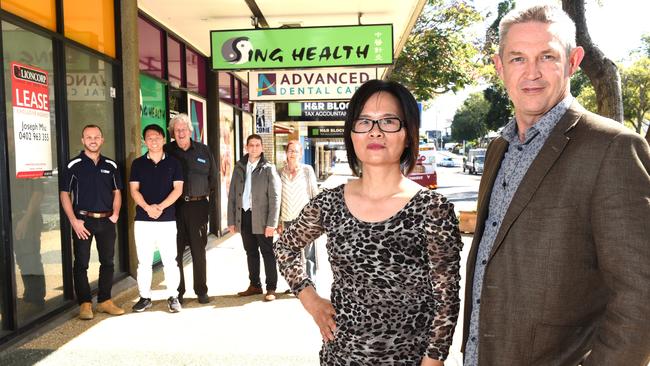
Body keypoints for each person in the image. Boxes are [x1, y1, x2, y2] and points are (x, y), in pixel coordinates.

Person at [462, 5, 650, 366]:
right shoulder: (497, 148)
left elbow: (641, 295)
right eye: (517, 58)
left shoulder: (612, 148)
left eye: (547, 56)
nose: (532, 72)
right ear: (499, 66)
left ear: (573, 61)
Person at [275, 79, 463, 365]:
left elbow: (446, 298)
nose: (375, 131)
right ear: (352, 134)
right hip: (342, 357)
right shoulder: (330, 203)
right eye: (364, 122)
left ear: (409, 133)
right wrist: (310, 300)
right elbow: (285, 247)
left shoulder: (432, 209)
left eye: (389, 121)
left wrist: (434, 359)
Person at [60, 124, 125, 320]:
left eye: (96, 136)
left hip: (106, 221)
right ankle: (85, 304)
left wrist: (115, 214)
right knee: (81, 263)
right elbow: (64, 195)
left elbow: (117, 192)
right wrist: (74, 221)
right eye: (89, 137)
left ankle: (105, 301)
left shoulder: (111, 166)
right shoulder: (73, 165)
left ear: (102, 139)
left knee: (108, 262)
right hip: (83, 221)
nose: (93, 140)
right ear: (83, 140)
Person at [129, 124, 184, 313]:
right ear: (145, 141)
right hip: (143, 220)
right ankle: (145, 297)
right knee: (144, 261)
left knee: (170, 260)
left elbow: (178, 189)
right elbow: (134, 190)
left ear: (163, 139)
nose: (153, 141)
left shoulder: (174, 163)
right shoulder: (137, 164)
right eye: (149, 138)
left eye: (157, 137)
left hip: (167, 219)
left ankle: (173, 296)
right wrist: (146, 207)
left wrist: (160, 207)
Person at [164, 113, 218, 305]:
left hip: (198, 206)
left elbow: (213, 181)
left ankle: (201, 291)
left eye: (183, 129)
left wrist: (209, 210)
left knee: (198, 251)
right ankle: (178, 292)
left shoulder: (203, 151)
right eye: (177, 130)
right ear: (172, 133)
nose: (180, 133)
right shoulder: (166, 151)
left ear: (190, 130)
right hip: (174, 208)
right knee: (175, 252)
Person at [227, 134, 281, 302]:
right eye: (252, 145)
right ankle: (255, 285)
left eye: (258, 145)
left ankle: (271, 287)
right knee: (250, 252)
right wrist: (231, 220)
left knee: (267, 252)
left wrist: (272, 223)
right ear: (246, 147)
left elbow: (275, 198)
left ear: (262, 148)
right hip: (244, 215)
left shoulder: (268, 168)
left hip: (263, 218)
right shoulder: (239, 167)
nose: (254, 148)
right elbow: (232, 196)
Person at [277, 140, 319, 282]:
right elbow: (277, 199)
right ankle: (297, 283)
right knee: (291, 254)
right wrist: (278, 222)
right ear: (286, 153)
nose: (293, 153)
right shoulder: (279, 172)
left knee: (308, 254)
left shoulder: (307, 170)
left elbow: (314, 194)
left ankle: (310, 281)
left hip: (305, 219)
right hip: (287, 218)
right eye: (290, 151)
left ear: (301, 154)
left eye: (296, 151)